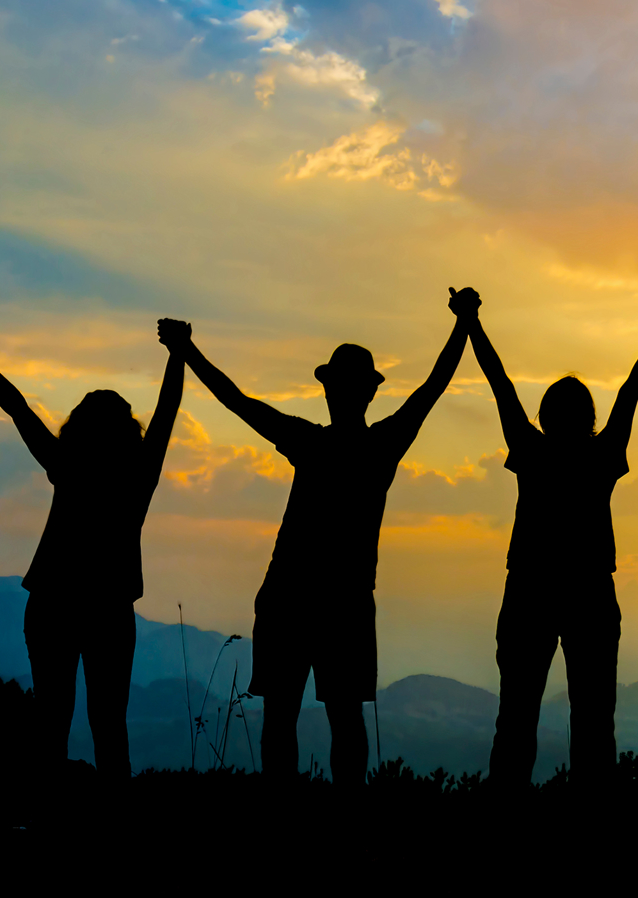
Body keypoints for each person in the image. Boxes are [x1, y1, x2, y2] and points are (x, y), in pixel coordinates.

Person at [161, 290, 473, 786]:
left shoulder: (312, 441)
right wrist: (465, 323)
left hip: (291, 595)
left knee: (285, 718)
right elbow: (434, 386)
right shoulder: (379, 445)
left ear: (330, 390)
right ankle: (343, 826)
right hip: (341, 602)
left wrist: (187, 351)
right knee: (342, 718)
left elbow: (238, 402)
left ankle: (287, 824)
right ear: (370, 392)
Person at [0, 320, 186, 780]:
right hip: (109, 611)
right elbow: (167, 411)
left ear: (77, 429)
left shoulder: (66, 465)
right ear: (127, 432)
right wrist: (177, 354)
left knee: (52, 724)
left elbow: (18, 408)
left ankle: (49, 822)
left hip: (53, 605)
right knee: (108, 728)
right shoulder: (136, 477)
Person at [469, 294, 638, 791]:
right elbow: (632, 387)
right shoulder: (603, 452)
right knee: (593, 721)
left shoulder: (531, 450)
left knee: (516, 715)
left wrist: (472, 323)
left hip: (530, 591)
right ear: (589, 416)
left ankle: (507, 813)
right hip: (588, 593)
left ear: (544, 415)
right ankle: (592, 824)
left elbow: (499, 383)